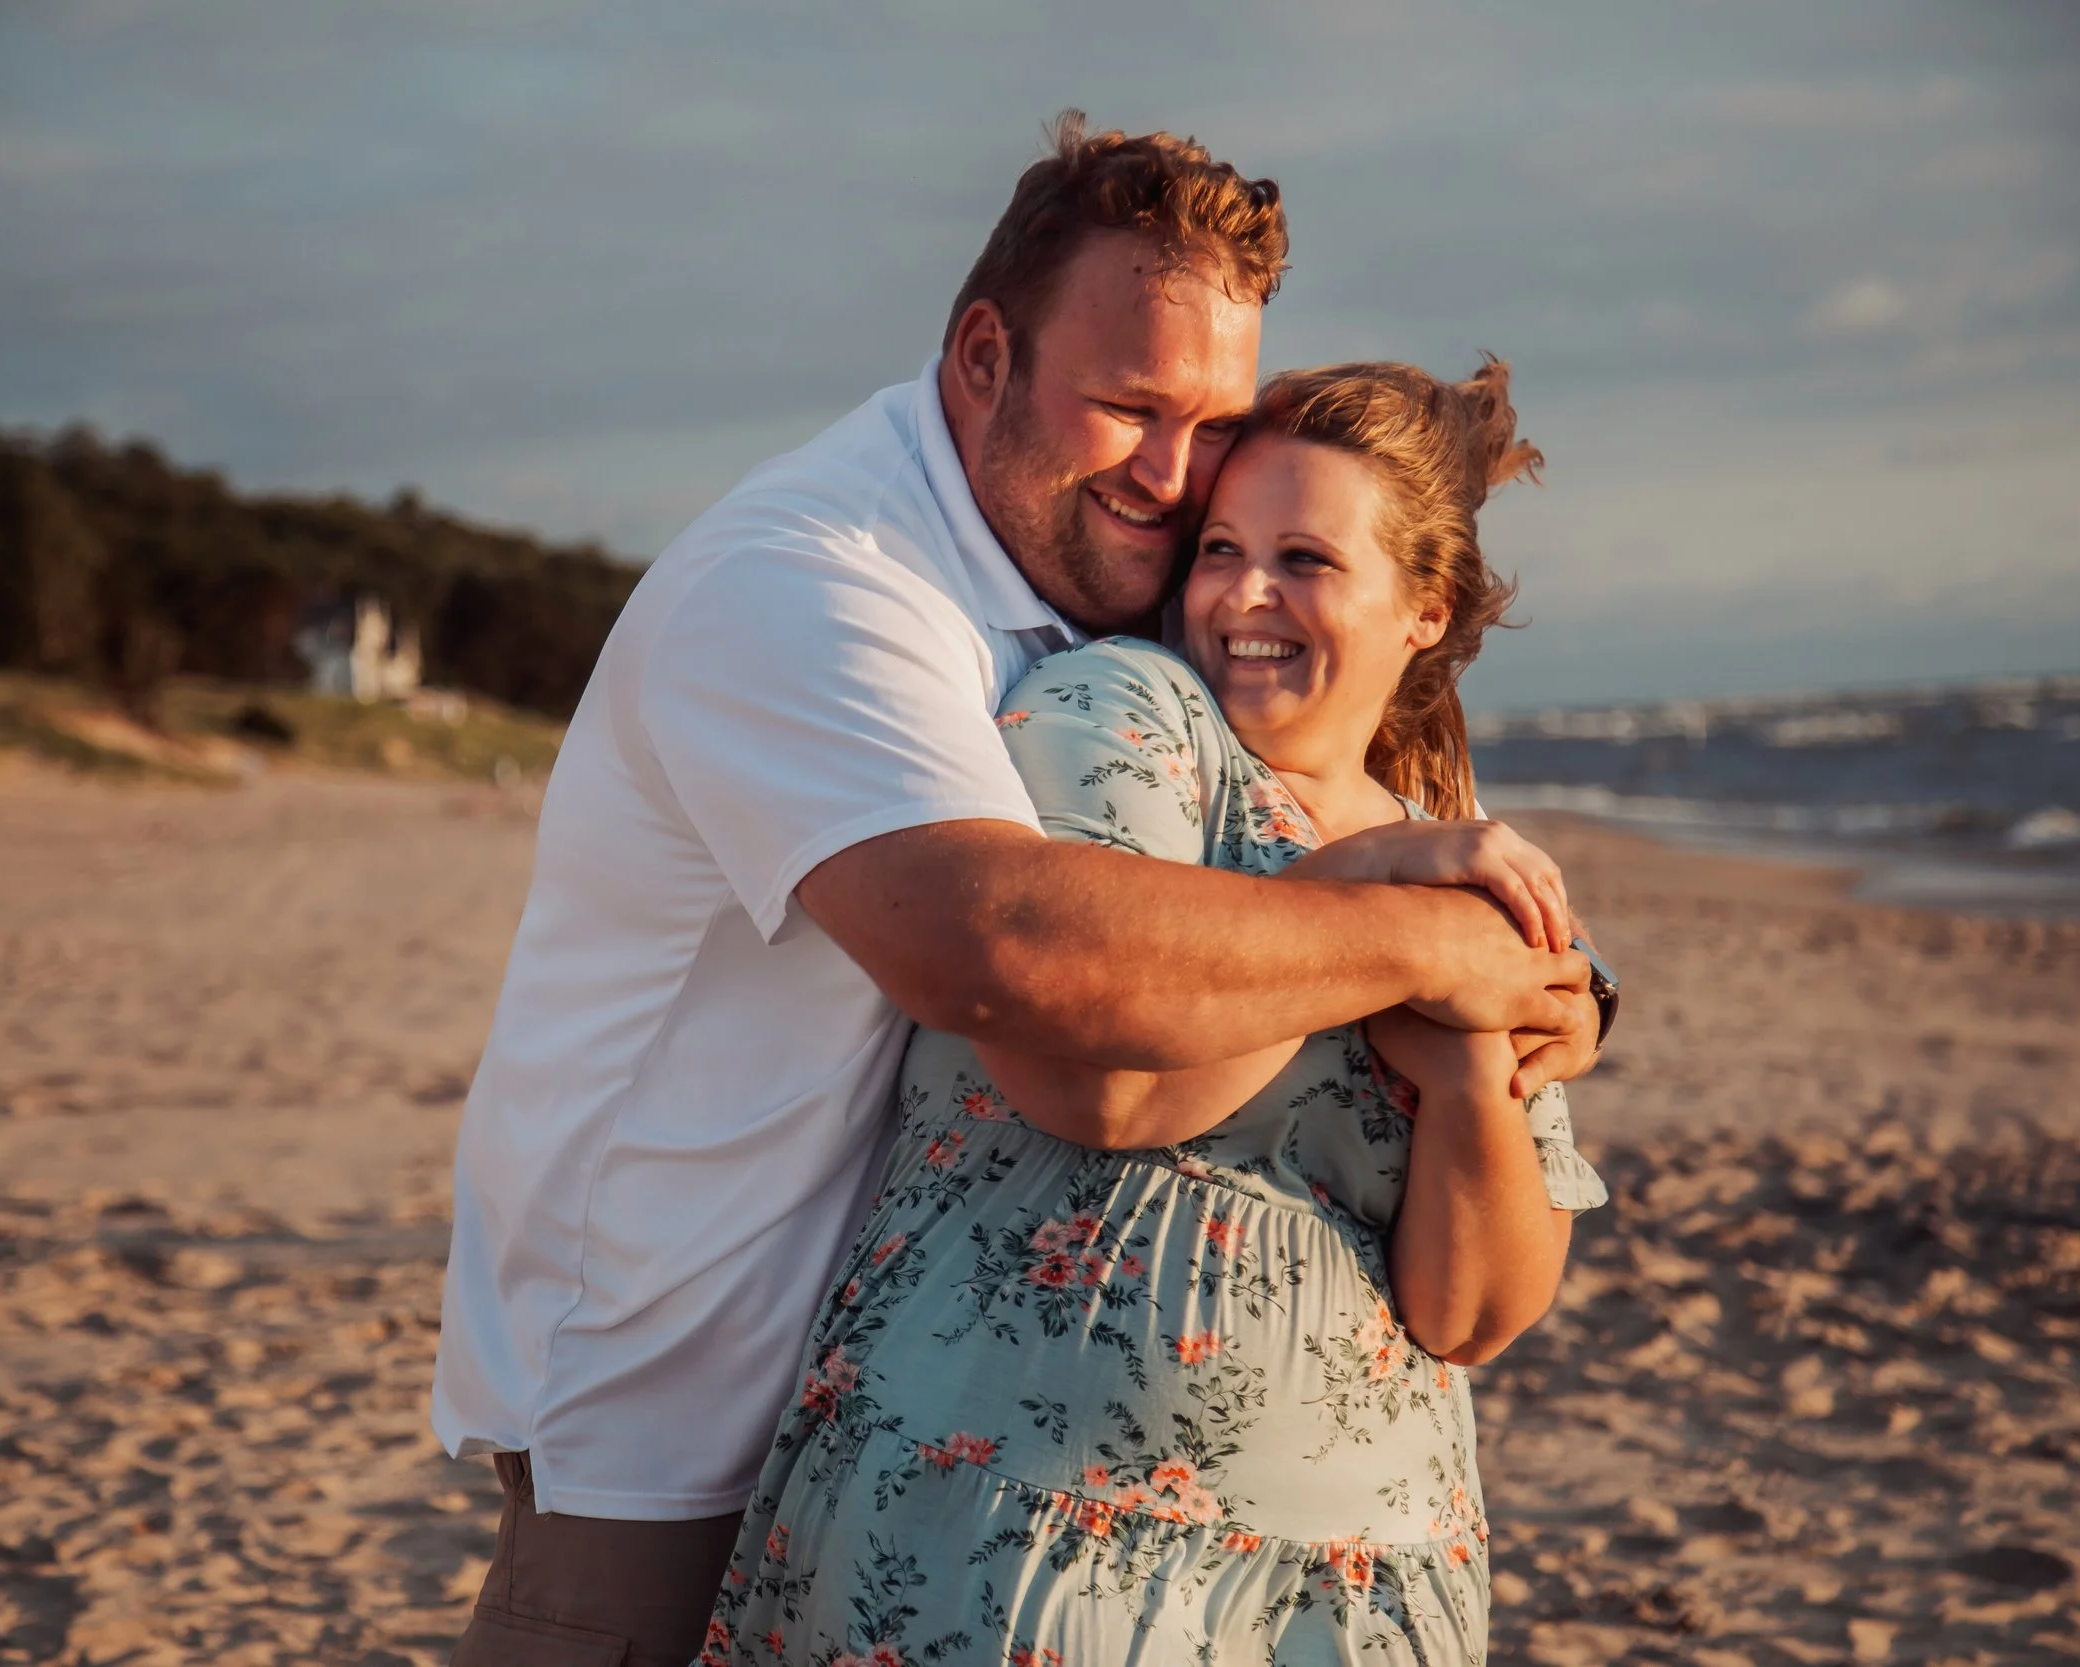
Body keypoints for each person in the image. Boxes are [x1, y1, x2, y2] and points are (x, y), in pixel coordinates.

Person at [436, 116, 1599, 1667]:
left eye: (1212, 421)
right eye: (1131, 407)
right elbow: (1010, 953)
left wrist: (1536, 994)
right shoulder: (814, 582)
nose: (1179, 481)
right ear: (983, 355)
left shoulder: (1063, 587)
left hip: (883, 1406)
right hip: (673, 1428)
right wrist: (1414, 932)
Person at [699, 358, 1600, 1667]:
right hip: (1030, 1537)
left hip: (1348, 1590)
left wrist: (1465, 1073)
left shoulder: (1464, 868)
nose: (1242, 594)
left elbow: (1475, 1315)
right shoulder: (1133, 712)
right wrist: (1375, 923)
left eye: (1303, 558)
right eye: (1222, 548)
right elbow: (1112, 1084)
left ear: (1425, 605)